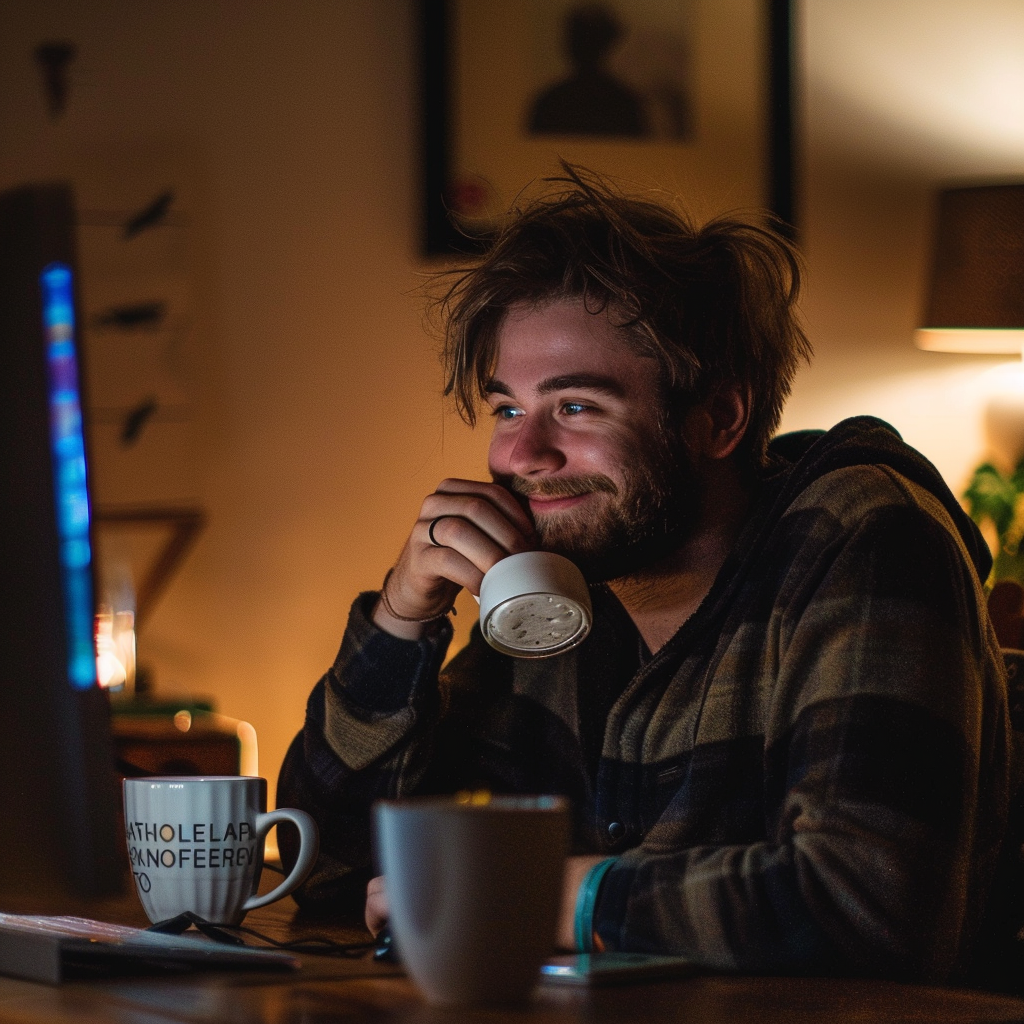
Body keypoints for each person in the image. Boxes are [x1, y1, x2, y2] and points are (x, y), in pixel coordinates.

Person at [278, 167, 1014, 983]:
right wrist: (401, 621)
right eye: (509, 409)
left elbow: (866, 907)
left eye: (578, 407)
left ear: (720, 418)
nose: (518, 456)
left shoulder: (863, 534)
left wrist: (539, 895)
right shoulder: (564, 595)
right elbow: (325, 870)